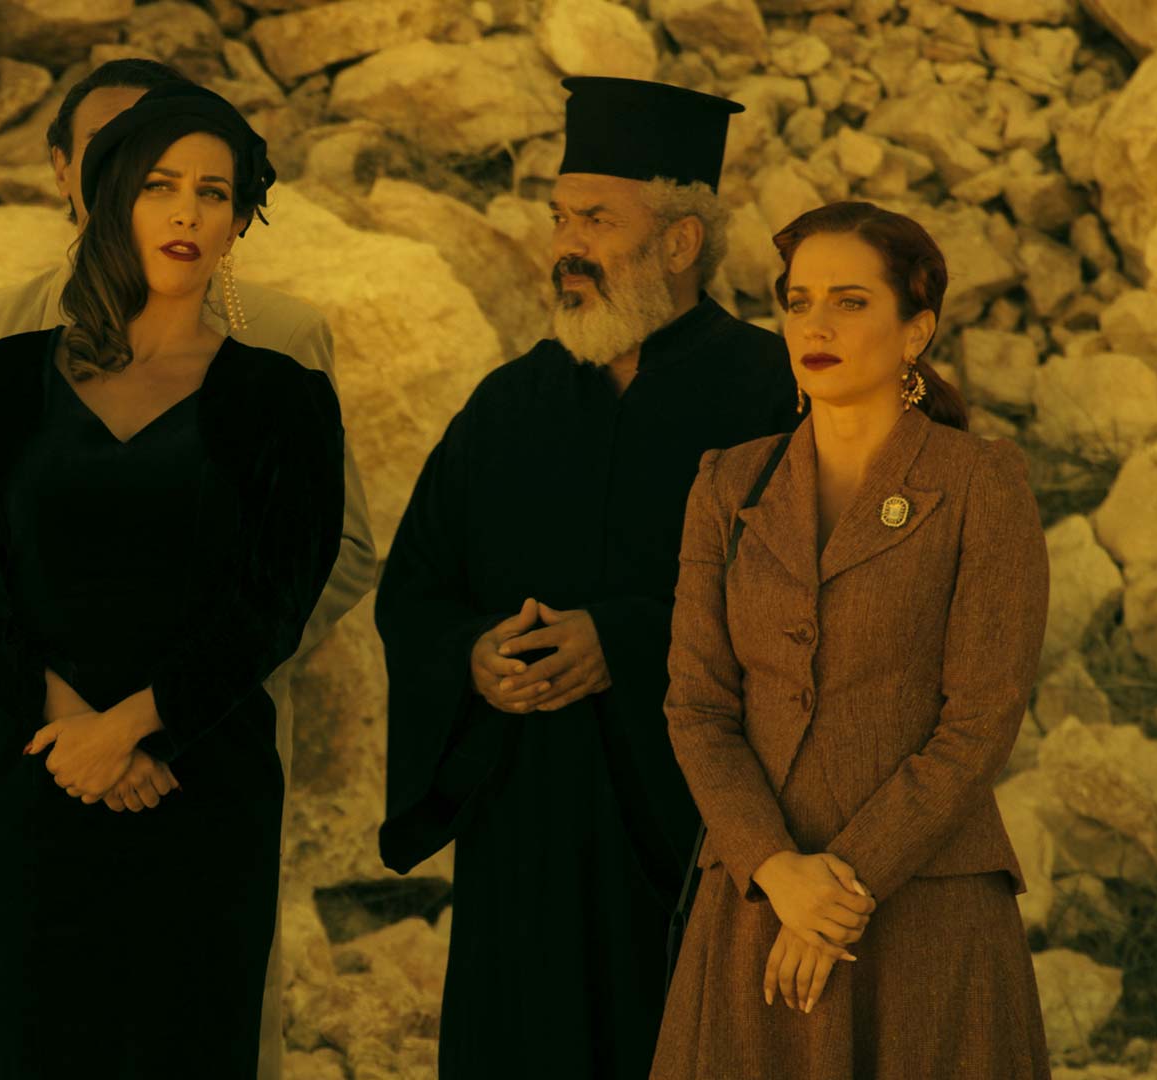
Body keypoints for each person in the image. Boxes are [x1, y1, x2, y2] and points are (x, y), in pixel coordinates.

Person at [0, 58, 376, 1080]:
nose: (187, 213)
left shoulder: (282, 396)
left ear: (239, 220)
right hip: (40, 769)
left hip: (203, 771)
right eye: (159, 185)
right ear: (106, 197)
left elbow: (280, 590)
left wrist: (137, 727)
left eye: (214, 192)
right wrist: (73, 726)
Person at [375, 77, 801, 1079]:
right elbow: (415, 591)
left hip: (698, 832)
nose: (567, 245)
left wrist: (624, 638)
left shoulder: (771, 393)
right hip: (523, 830)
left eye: (597, 220)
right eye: (561, 219)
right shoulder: (509, 404)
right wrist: (474, 657)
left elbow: (811, 602)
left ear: (681, 243)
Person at [650, 201, 1050, 1079]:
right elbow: (698, 708)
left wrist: (841, 890)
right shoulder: (728, 484)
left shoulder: (980, 482)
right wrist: (777, 870)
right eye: (798, 302)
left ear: (917, 331)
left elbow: (979, 722)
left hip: (925, 913)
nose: (816, 325)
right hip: (755, 905)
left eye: (851, 301)